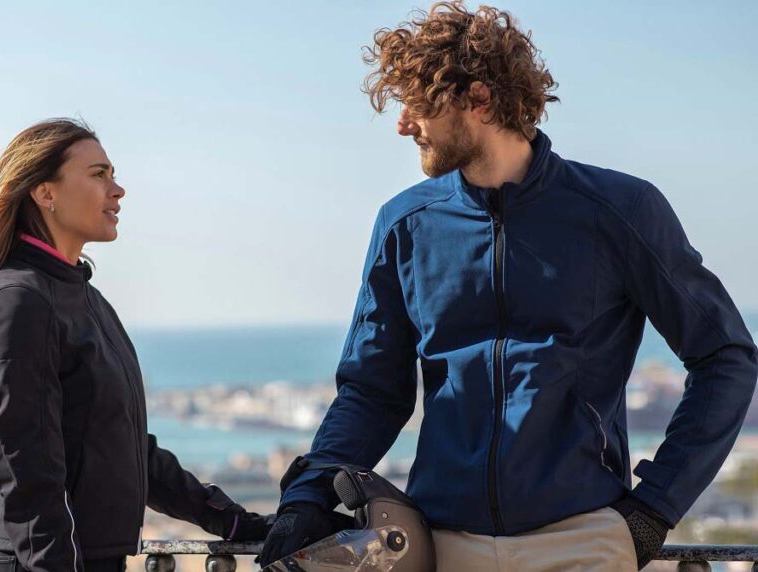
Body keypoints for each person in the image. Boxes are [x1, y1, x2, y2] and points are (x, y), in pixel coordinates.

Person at [260, 3, 758, 571]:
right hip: (443, 543)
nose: (402, 123)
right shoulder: (405, 225)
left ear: (479, 99)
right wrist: (309, 493)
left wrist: (655, 507)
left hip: (583, 540)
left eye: (419, 104)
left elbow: (726, 356)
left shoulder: (619, 210)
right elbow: (373, 391)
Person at [0, 118, 271, 572]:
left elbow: (125, 446)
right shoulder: (21, 302)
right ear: (46, 193)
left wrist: (234, 522)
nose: (118, 190)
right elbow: (29, 476)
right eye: (98, 175)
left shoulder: (86, 299)